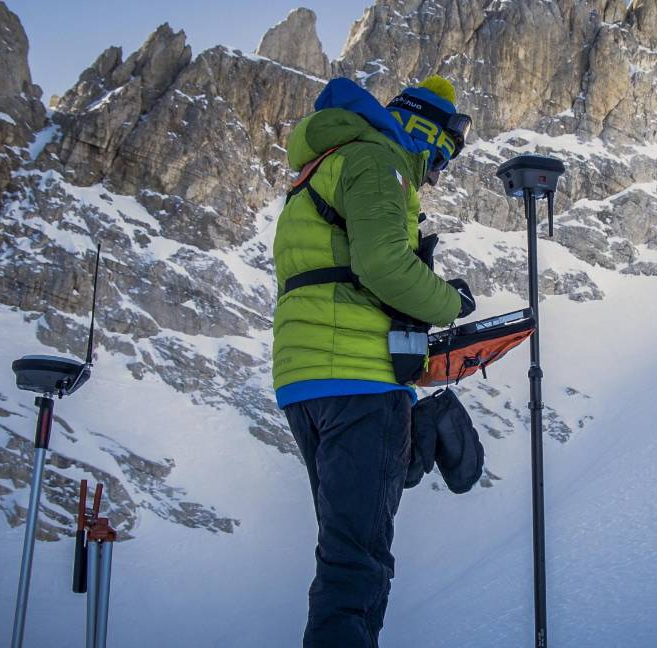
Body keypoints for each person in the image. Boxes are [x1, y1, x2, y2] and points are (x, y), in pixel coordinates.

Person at [271, 75, 477, 648]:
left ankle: (425, 429)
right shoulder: (377, 161)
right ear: (421, 130)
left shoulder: (327, 162)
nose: (438, 171)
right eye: (443, 153)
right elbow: (383, 264)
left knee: (349, 539)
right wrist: (448, 301)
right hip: (358, 375)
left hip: (307, 380)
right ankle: (430, 426)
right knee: (357, 562)